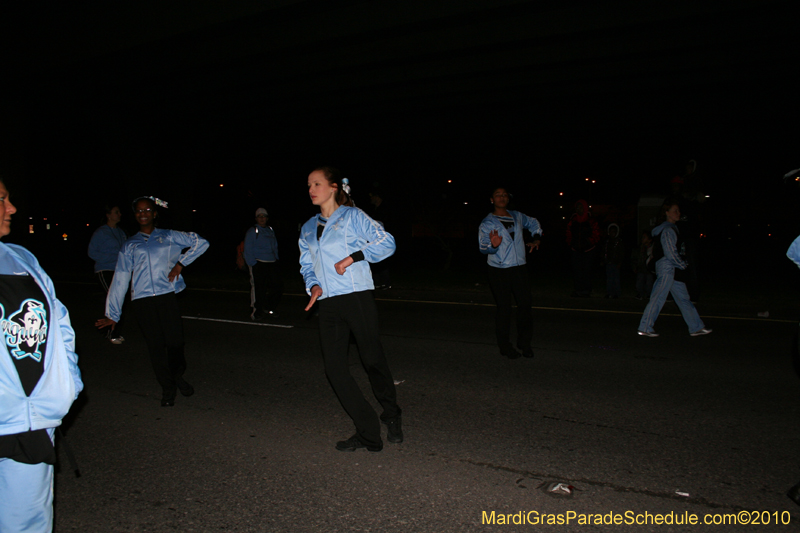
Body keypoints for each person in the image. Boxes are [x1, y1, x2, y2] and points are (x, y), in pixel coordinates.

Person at [0, 178, 83, 532]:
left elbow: (60, 325)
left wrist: (67, 386)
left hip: (32, 423)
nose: (12, 208)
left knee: (29, 522)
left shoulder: (21, 259)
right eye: (2, 199)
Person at [299, 166, 402, 452]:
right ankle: (368, 431)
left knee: (371, 359)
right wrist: (314, 285)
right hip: (327, 303)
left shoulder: (353, 217)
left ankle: (392, 414)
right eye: (308, 185)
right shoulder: (307, 227)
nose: (311, 189)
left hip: (356, 297)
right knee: (334, 369)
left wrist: (355, 256)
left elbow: (387, 242)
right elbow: (307, 264)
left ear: (333, 187)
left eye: (316, 183)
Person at [96, 196, 209, 406]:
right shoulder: (129, 245)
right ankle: (168, 389)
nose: (143, 213)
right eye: (138, 211)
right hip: (142, 300)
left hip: (167, 296)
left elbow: (201, 243)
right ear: (135, 215)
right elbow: (120, 277)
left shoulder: (168, 236)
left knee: (176, 342)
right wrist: (113, 314)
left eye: (147, 210)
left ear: (154, 213)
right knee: (156, 347)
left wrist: (181, 264)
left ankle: (176, 376)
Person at [478, 187, 542, 358]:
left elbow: (534, 223)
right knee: (504, 309)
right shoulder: (487, 223)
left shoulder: (517, 216)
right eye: (498, 195)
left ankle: (524, 343)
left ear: (508, 198)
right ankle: (505, 346)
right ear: (492, 199)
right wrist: (493, 245)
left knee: (525, 306)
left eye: (504, 194)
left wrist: (536, 238)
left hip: (519, 267)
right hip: (499, 270)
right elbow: (483, 248)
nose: (502, 197)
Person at [637, 201, 711, 337]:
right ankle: (645, 327)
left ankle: (696, 327)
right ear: (667, 213)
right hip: (667, 268)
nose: (678, 213)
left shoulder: (670, 229)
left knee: (683, 298)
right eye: (675, 210)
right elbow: (670, 252)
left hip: (671, 269)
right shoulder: (668, 230)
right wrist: (682, 264)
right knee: (658, 297)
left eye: (678, 211)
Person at [88, 204, 128, 344]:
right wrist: (113, 258)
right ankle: (111, 334)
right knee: (115, 300)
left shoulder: (121, 233)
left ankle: (111, 330)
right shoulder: (101, 232)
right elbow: (92, 252)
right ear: (108, 215)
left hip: (119, 271)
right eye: (116, 212)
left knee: (120, 301)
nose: (119, 214)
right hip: (104, 270)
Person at [244, 207, 282, 320]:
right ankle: (257, 311)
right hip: (258, 263)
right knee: (259, 288)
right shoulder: (252, 231)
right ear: (256, 218)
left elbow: (274, 245)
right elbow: (248, 248)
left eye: (264, 216)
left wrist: (276, 259)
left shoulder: (270, 229)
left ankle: (269, 307)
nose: (262, 218)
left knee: (277, 287)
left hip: (271, 262)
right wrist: (252, 264)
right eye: (259, 216)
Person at [566, 199, 600, 297]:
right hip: (575, 250)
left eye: (581, 207)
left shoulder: (591, 220)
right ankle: (578, 289)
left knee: (587, 270)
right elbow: (568, 233)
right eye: (577, 207)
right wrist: (571, 243)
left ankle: (586, 290)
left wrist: (588, 242)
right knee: (577, 271)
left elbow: (596, 234)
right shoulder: (573, 221)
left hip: (588, 250)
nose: (579, 209)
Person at [603, 223, 624, 299]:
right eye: (611, 231)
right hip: (608, 263)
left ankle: (616, 293)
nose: (612, 233)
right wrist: (604, 260)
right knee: (609, 279)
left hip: (616, 263)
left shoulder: (618, 242)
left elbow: (621, 253)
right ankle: (609, 293)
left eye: (614, 232)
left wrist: (619, 262)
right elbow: (604, 252)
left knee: (616, 279)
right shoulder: (607, 242)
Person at [633, 231, 655, 300]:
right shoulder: (640, 248)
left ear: (649, 240)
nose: (642, 239)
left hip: (649, 270)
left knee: (649, 283)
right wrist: (635, 266)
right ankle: (640, 294)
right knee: (639, 283)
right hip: (640, 268)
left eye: (644, 238)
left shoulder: (652, 248)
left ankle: (649, 294)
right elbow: (635, 257)